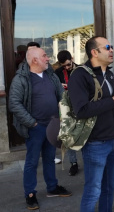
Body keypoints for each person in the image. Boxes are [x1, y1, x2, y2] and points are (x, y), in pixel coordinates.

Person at [9, 47, 72, 210]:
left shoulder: (50, 75)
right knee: (31, 161)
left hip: (52, 125)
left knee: (50, 158)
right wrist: (32, 123)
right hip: (35, 128)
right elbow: (14, 104)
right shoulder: (21, 79)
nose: (48, 58)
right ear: (34, 60)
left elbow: (62, 96)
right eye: (44, 56)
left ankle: (52, 187)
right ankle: (30, 193)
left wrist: (62, 117)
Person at [68, 36, 114, 211]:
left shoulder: (111, 74)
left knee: (109, 188)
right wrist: (112, 101)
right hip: (94, 143)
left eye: (111, 46)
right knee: (93, 190)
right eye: (107, 47)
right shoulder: (80, 75)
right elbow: (81, 110)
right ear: (94, 52)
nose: (111, 50)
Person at [53, 50, 80, 175]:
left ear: (72, 58)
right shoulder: (57, 73)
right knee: (68, 137)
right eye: (64, 66)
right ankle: (73, 163)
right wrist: (60, 87)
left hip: (80, 106)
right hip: (65, 108)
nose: (67, 67)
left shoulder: (81, 70)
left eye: (69, 64)